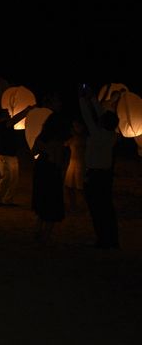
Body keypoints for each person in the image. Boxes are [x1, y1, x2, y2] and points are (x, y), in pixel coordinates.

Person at [79, 84, 120, 249]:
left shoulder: (97, 134)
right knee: (107, 208)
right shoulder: (112, 136)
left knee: (97, 210)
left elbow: (87, 116)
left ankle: (103, 240)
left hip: (95, 176)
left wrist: (82, 98)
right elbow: (103, 117)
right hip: (106, 176)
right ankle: (112, 240)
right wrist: (93, 99)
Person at [31, 112, 70, 244]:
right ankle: (46, 234)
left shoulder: (41, 137)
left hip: (41, 170)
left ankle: (37, 230)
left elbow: (34, 151)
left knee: (41, 201)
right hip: (51, 172)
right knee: (52, 204)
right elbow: (57, 161)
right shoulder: (58, 141)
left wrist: (44, 150)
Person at [0, 104, 36, 207]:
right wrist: (27, 110)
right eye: (7, 113)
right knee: (13, 178)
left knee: (5, 177)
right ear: (3, 116)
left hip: (0, 155)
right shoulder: (5, 124)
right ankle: (7, 199)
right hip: (8, 156)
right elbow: (17, 118)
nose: (9, 115)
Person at [64, 119, 87, 212]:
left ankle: (86, 206)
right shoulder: (73, 138)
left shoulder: (84, 138)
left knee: (80, 187)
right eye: (74, 126)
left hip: (80, 164)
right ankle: (73, 205)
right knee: (69, 186)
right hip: (72, 163)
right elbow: (64, 144)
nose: (75, 128)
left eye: (77, 126)